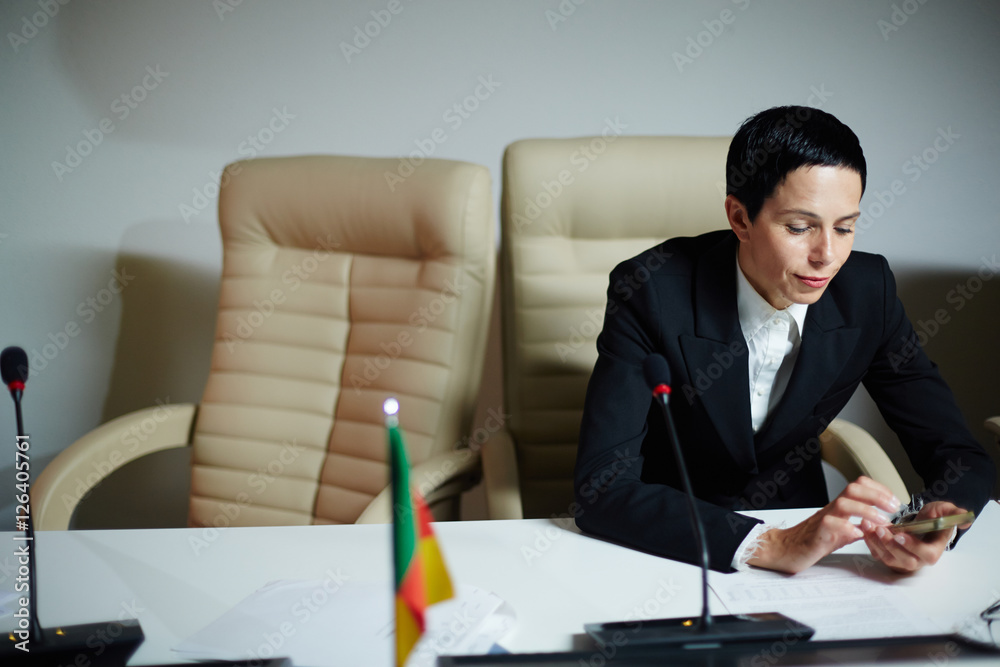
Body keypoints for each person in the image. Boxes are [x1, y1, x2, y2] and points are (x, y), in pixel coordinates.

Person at [574, 106, 995, 574]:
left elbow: (957, 452)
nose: (827, 256)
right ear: (740, 218)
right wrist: (769, 544)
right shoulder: (649, 290)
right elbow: (602, 488)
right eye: (799, 228)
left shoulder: (867, 291)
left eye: (845, 227)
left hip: (805, 536)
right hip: (673, 545)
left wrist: (941, 522)